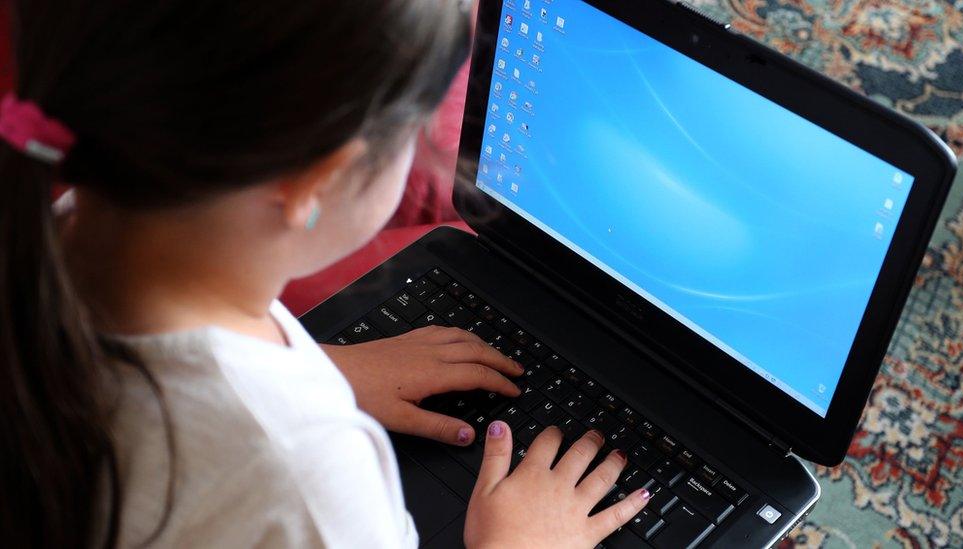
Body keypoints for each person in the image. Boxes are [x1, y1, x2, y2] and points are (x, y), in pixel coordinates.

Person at [0, 1, 650, 547]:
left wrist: (321, 367)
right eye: (417, 129)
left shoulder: (61, 231)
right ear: (318, 179)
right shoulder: (309, 469)